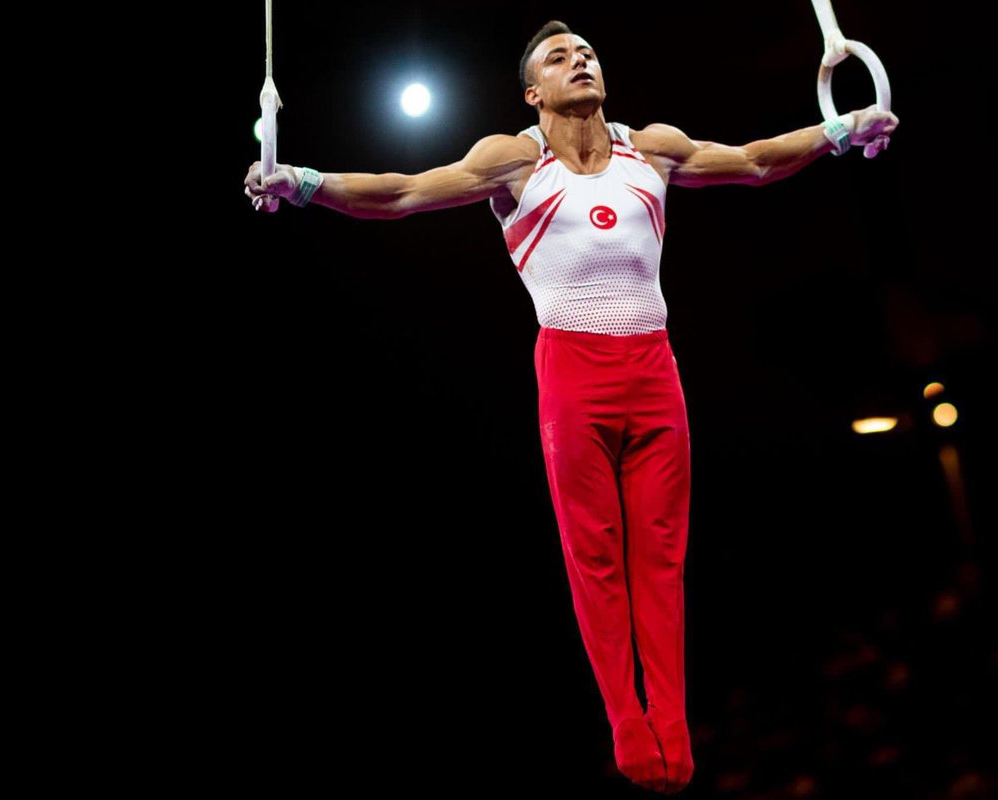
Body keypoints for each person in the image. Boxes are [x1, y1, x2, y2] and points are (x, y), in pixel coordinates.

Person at [244, 19, 898, 794]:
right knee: (595, 556)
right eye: (560, 58)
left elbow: (755, 161)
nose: (579, 60)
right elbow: (407, 193)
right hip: (572, 370)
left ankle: (674, 732)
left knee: (660, 555)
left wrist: (842, 127)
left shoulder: (651, 148)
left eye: (586, 52)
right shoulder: (513, 160)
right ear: (534, 92)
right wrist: (307, 183)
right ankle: (629, 725)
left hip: (655, 369)